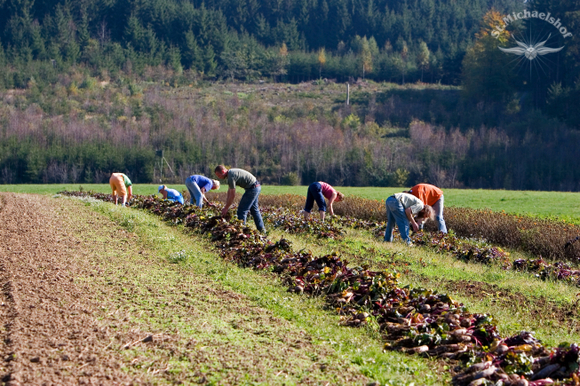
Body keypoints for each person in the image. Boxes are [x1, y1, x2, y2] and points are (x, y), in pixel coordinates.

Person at [214, 165, 265, 232]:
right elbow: (229, 192)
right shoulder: (230, 174)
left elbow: (232, 195)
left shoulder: (231, 176)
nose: (219, 177)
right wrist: (226, 206)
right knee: (254, 210)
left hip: (252, 189)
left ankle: (241, 232)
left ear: (223, 171)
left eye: (219, 175)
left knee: (242, 211)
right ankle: (262, 231)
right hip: (256, 187)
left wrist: (226, 208)